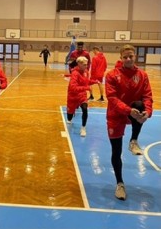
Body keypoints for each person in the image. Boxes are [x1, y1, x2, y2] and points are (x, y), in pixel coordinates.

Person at [105, 44, 153, 201]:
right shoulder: (112, 75)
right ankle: (120, 183)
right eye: (125, 57)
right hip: (116, 115)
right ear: (120, 58)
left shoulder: (143, 75)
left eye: (130, 56)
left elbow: (147, 96)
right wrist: (127, 111)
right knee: (116, 151)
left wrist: (148, 112)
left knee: (140, 105)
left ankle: (134, 140)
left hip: (133, 111)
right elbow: (112, 98)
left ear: (135, 56)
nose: (128, 59)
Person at [66, 56, 98, 137]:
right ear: (79, 64)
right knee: (69, 118)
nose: (86, 66)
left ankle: (83, 128)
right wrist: (86, 88)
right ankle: (70, 117)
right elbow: (73, 88)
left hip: (82, 96)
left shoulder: (86, 72)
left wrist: (94, 82)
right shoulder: (74, 74)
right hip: (73, 96)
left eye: (86, 64)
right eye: (84, 64)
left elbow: (86, 81)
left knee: (85, 109)